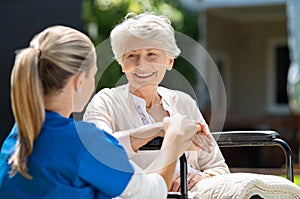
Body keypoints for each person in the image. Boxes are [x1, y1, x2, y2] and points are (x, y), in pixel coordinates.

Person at [0, 25, 204, 199]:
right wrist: (174, 137)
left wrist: (154, 130)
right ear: (79, 81)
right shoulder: (84, 141)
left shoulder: (17, 138)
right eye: (93, 75)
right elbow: (153, 192)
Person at [83, 12, 230, 193]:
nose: (141, 64)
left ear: (169, 61)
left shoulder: (184, 103)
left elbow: (218, 167)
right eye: (131, 55)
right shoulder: (105, 102)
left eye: (151, 54)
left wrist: (199, 178)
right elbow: (98, 151)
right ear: (122, 63)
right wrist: (162, 129)